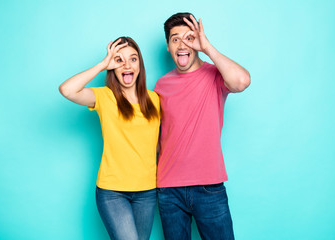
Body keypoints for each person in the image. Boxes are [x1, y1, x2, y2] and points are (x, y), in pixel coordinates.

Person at [154, 13, 251, 239]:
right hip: (169, 189)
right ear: (168, 46)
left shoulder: (214, 74)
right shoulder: (161, 85)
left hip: (209, 187)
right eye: (175, 39)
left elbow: (242, 81)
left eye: (189, 38)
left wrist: (207, 47)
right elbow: (159, 136)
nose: (182, 44)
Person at [59, 37, 160, 240]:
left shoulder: (155, 100)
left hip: (147, 191)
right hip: (113, 192)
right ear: (113, 67)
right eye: (119, 60)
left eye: (133, 59)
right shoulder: (105, 97)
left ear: (140, 64)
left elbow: (157, 146)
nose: (127, 65)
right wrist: (103, 64)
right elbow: (67, 90)